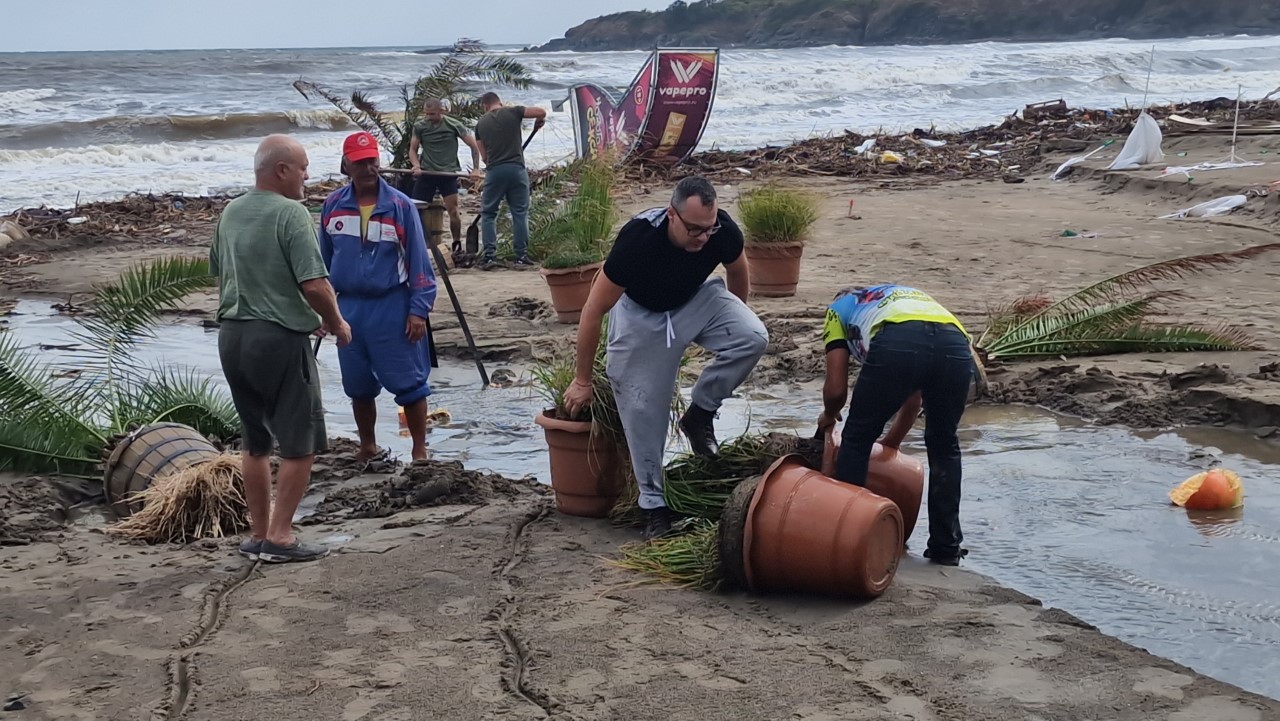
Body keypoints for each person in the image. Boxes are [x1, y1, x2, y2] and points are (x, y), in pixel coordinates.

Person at [563, 176, 769, 540]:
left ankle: (700, 414)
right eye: (694, 229)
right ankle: (653, 505)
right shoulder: (638, 241)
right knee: (642, 410)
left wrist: (734, 318)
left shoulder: (721, 231)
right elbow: (593, 309)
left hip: (696, 300)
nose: (703, 237)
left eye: (709, 228)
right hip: (640, 316)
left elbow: (738, 270)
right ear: (671, 215)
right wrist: (582, 381)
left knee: (752, 336)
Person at [211, 134, 351, 564]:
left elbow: (220, 269)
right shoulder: (292, 214)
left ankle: (258, 534)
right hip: (277, 339)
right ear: (281, 170)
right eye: (303, 166)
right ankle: (282, 536)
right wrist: (335, 322)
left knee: (254, 442)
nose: (308, 175)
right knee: (300, 441)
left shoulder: (231, 211)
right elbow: (314, 283)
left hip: (232, 336)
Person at [816, 284, 974, 566]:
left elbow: (836, 389)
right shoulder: (896, 297)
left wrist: (829, 415)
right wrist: (891, 444)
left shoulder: (837, 310)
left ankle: (848, 538)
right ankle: (946, 548)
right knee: (944, 445)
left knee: (857, 437)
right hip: (955, 343)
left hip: (899, 342)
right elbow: (912, 396)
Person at [319, 131, 439, 462]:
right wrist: (323, 313)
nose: (368, 168)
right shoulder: (332, 206)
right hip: (349, 307)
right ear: (346, 165)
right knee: (357, 383)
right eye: (360, 162)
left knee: (410, 383)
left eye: (372, 160)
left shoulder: (400, 206)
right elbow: (322, 264)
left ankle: (419, 449)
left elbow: (419, 263)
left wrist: (418, 310)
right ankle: (367, 446)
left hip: (392, 305)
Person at [472, 91, 545, 269]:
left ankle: (490, 256)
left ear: (485, 106)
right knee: (520, 213)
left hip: (495, 171)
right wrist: (538, 123)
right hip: (517, 170)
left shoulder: (480, 124)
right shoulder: (514, 112)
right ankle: (521, 256)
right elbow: (541, 111)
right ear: (500, 103)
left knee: (489, 214)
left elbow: (484, 157)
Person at [409, 98, 482, 250]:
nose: (429, 117)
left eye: (433, 114)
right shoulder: (420, 126)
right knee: (415, 210)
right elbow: (413, 149)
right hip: (427, 173)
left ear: (441, 111)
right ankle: (416, 244)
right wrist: (416, 165)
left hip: (447, 173)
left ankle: (456, 243)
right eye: (427, 114)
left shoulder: (453, 125)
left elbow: (474, 145)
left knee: (453, 210)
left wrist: (476, 168)